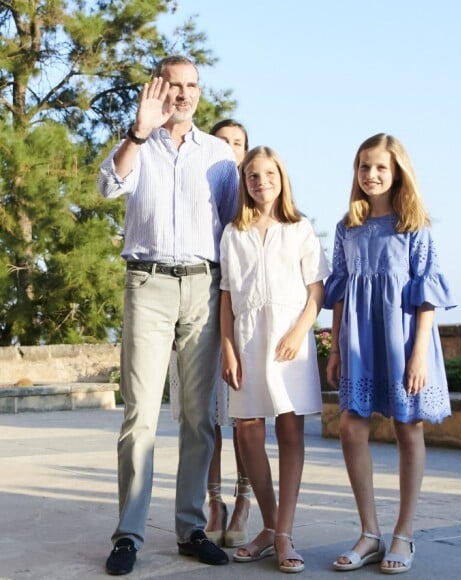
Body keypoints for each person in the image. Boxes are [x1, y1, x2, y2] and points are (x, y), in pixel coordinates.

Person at [97, 55, 239, 575]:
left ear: (200, 92)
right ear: (157, 88)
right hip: (149, 283)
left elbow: (233, 228)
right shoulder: (137, 146)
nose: (183, 94)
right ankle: (128, 535)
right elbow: (108, 186)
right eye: (173, 85)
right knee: (141, 415)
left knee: (200, 417)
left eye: (192, 85)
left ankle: (190, 528)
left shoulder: (220, 154)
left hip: (204, 284)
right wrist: (137, 132)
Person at [324, 133, 456, 575]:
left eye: (380, 167)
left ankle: (404, 532)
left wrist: (419, 355)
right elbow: (339, 294)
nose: (371, 175)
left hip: (404, 342)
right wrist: (336, 345)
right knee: (349, 425)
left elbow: (427, 297)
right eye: (364, 166)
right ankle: (369, 532)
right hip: (359, 342)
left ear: (397, 171)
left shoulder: (414, 226)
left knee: (407, 428)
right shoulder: (347, 227)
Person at [219, 146, 330, 573]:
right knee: (247, 432)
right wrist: (227, 346)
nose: (260, 181)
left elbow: (315, 289)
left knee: (290, 430)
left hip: (289, 338)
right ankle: (267, 525)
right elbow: (227, 296)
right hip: (247, 337)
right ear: (244, 183)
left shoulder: (299, 228)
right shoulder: (233, 232)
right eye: (252, 175)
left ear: (281, 178)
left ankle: (283, 533)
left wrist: (301, 330)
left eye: (268, 174)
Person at [169, 118, 253, 548]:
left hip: (243, 318)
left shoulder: (259, 199)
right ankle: (214, 500)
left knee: (242, 416)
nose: (230, 149)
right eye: (223, 141)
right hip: (199, 308)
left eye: (238, 143)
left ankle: (244, 499)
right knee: (206, 415)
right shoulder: (199, 193)